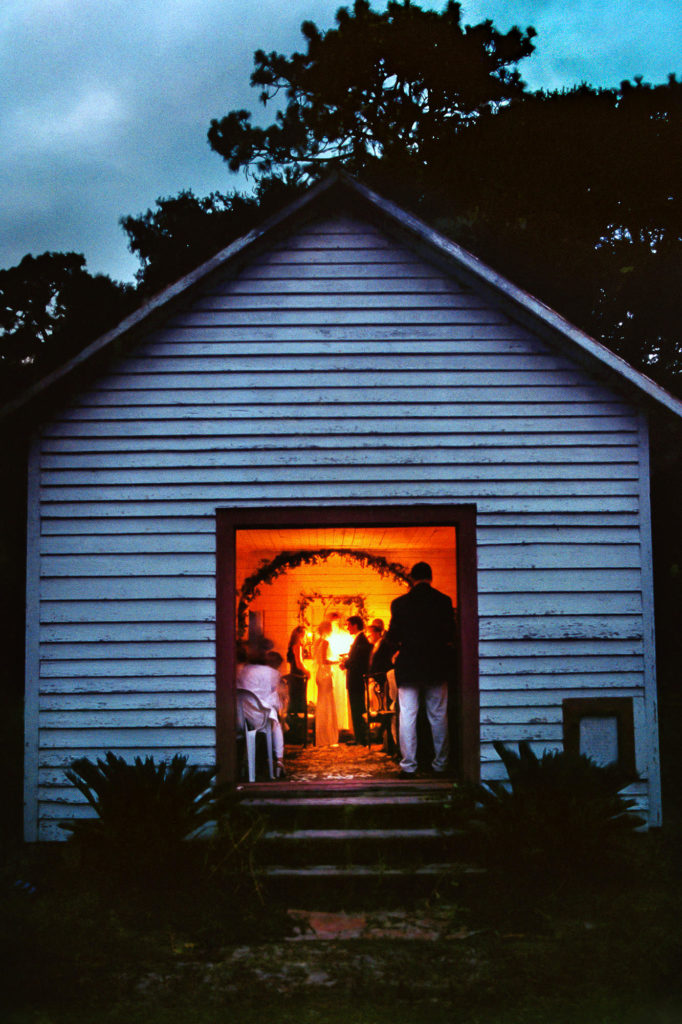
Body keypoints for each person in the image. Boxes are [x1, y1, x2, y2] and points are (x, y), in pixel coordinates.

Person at [384, 561, 456, 778]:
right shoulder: (443, 601)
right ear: (430, 577)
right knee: (438, 715)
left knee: (407, 715)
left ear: (412, 578)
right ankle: (440, 765)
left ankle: (409, 765)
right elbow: (450, 633)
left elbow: (393, 636)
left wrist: (397, 647)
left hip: (409, 665)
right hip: (436, 663)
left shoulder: (400, 604)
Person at [237, 636, 286, 778]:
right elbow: (271, 693)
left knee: (272, 713)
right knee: (275, 721)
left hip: (240, 716)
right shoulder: (271, 673)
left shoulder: (242, 671)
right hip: (260, 717)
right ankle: (279, 759)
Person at [340, 616, 371, 744]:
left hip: (356, 679)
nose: (347, 628)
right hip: (355, 679)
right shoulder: (359, 639)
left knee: (357, 708)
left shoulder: (361, 640)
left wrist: (345, 663)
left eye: (348, 625)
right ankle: (360, 737)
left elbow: (358, 660)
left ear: (355, 625)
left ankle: (361, 738)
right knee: (357, 707)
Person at [313, 620, 339, 746]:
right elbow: (324, 660)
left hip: (320, 673)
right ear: (327, 629)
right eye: (330, 628)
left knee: (322, 701)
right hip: (325, 674)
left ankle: (322, 736)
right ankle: (326, 737)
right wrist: (337, 661)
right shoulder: (325, 642)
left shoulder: (317, 642)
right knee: (327, 702)